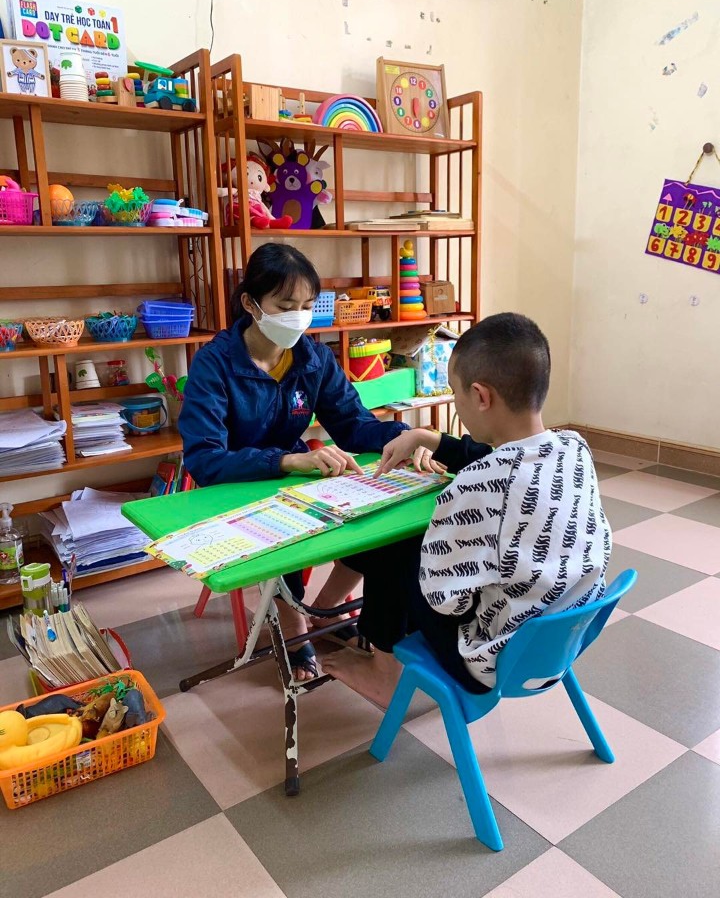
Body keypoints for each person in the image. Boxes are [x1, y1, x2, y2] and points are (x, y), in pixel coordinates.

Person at [324, 313, 612, 707]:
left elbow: (444, 599)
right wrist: (428, 438)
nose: (457, 405)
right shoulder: (574, 448)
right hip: (563, 638)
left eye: (455, 394)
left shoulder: (478, 484)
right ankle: (333, 612)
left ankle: (381, 674)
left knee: (397, 548)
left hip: (490, 659)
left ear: (479, 396)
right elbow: (500, 456)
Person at [178, 243, 424, 681]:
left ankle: (326, 607)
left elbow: (353, 424)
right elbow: (205, 459)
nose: (299, 317)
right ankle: (293, 628)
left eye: (308, 306)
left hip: (290, 472)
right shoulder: (215, 364)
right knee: (283, 535)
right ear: (250, 303)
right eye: (286, 306)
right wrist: (289, 461)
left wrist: (409, 438)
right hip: (231, 483)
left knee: (380, 519)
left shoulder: (312, 358)